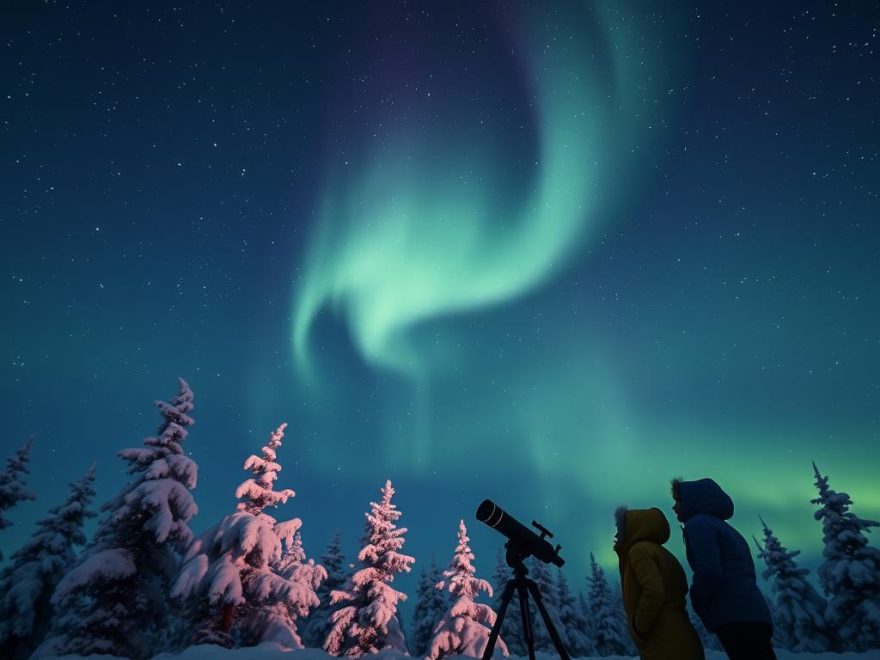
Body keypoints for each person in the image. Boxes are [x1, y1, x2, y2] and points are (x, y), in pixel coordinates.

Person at [671, 477, 777, 660]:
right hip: (755, 612)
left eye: (678, 501)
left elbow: (709, 570)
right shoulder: (725, 528)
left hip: (733, 615)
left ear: (693, 501)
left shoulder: (698, 525)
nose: (674, 507)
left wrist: (697, 598)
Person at [614, 506, 705, 660]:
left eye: (620, 528)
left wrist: (639, 627)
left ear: (631, 529)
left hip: (664, 643)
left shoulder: (639, 551)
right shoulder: (660, 552)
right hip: (679, 638)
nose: (616, 534)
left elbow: (654, 591)